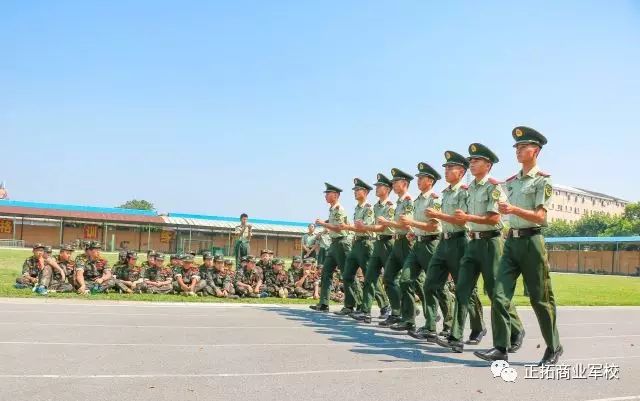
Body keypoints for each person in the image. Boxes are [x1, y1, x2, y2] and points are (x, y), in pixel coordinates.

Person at [475, 126, 563, 365]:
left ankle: (553, 346)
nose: (518, 151)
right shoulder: (511, 182)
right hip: (511, 243)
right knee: (499, 295)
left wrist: (513, 210)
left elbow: (540, 216)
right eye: (516, 147)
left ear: (536, 151)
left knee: (540, 299)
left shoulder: (543, 181)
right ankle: (500, 347)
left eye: (523, 147)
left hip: (532, 242)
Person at [434, 143, 524, 354]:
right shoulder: (468, 190)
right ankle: (455, 337)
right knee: (462, 289)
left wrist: (467, 218)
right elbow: (459, 217)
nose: (471, 164)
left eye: (476, 161)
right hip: (472, 243)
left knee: (494, 292)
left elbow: (494, 219)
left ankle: (516, 328)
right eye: (471, 161)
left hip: (491, 243)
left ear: (488, 165)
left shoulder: (493, 187)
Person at [419, 151, 486, 343]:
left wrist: (438, 216)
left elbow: (462, 219)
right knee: (430, 283)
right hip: (444, 241)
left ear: (462, 171)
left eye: (450, 168)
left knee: (464, 288)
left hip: (460, 242)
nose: (447, 171)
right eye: (446, 168)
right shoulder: (446, 193)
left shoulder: (465, 191)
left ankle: (478, 327)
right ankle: (430, 326)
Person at [399, 162, 455, 335]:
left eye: (422, 178)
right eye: (418, 178)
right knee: (406, 279)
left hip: (432, 244)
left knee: (436, 286)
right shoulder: (418, 200)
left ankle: (448, 323)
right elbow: (421, 226)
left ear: (430, 181)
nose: (418, 180)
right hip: (418, 244)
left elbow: (432, 226)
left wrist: (411, 223)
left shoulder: (434, 199)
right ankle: (409, 320)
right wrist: (414, 232)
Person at [351, 173, 395, 323]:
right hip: (377, 243)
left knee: (391, 279)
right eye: (376, 186)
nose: (377, 188)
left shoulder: (391, 206)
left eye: (380, 186)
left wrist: (364, 227)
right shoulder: (375, 207)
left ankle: (397, 308)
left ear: (388, 189)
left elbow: (382, 227)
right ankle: (366, 311)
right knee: (369, 278)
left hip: (388, 243)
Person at [376, 168, 414, 328]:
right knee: (389, 278)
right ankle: (397, 312)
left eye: (396, 181)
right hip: (397, 242)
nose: (392, 184)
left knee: (410, 281)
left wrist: (387, 223)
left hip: (406, 242)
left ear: (404, 184)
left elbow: (407, 223)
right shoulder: (399, 202)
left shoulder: (408, 200)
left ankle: (410, 317)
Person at [337, 178, 377, 316]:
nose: (355, 192)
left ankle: (382, 305)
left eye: (357, 190)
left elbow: (364, 228)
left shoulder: (368, 209)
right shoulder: (357, 208)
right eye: (354, 190)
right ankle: (350, 305)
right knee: (347, 275)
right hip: (356, 243)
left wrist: (347, 227)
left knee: (369, 276)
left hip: (366, 243)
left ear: (365, 192)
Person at [310, 183, 352, 312]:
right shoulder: (333, 209)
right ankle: (324, 303)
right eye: (326, 194)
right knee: (326, 271)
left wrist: (323, 224)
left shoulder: (339, 209)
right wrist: (326, 223)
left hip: (341, 242)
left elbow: (340, 227)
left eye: (328, 194)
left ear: (336, 195)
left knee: (347, 274)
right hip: (334, 243)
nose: (326, 196)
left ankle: (350, 305)